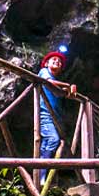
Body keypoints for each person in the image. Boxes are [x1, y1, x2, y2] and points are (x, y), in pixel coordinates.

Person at [38, 48, 77, 184]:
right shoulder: (44, 72)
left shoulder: (56, 81)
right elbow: (50, 83)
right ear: (46, 64)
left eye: (59, 61)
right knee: (52, 140)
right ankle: (40, 175)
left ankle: (46, 177)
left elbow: (60, 93)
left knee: (53, 144)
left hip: (56, 118)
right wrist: (67, 85)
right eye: (53, 60)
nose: (57, 61)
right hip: (45, 114)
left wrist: (68, 91)